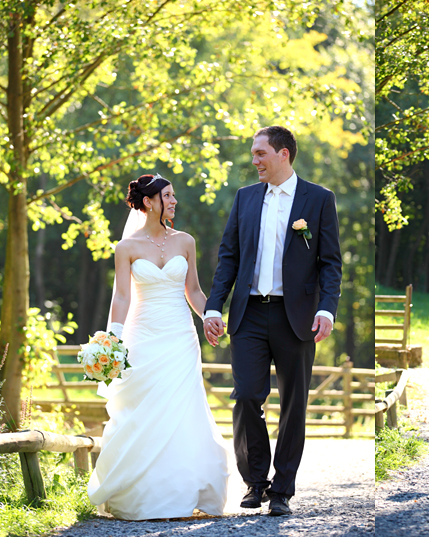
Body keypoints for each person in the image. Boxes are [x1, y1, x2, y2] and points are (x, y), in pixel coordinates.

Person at [203, 125, 342, 516]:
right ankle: (255, 481)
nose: (254, 160)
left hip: (295, 317)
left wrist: (326, 308)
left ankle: (282, 489)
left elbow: (331, 263)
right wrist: (215, 306)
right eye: (253, 153)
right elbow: (228, 256)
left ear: (283, 154)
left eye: (260, 153)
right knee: (247, 396)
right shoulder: (245, 198)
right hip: (248, 315)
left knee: (294, 403)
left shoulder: (318, 199)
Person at [88, 174, 230, 520]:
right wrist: (113, 340)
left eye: (174, 194)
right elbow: (121, 296)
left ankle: (182, 492)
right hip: (143, 336)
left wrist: (209, 314)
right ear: (149, 202)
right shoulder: (127, 248)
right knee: (144, 410)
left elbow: (193, 291)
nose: (174, 200)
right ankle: (142, 496)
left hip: (181, 336)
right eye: (168, 195)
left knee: (183, 410)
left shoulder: (185, 242)